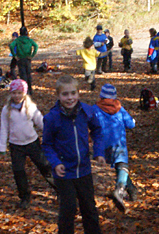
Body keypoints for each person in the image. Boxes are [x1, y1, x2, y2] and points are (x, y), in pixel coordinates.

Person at [43, 75, 105, 234]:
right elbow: (47, 144)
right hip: (64, 173)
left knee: (89, 207)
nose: (69, 98)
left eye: (73, 93)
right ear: (58, 95)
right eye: (65, 94)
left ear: (78, 93)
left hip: (84, 169)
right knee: (68, 208)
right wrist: (55, 163)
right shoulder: (52, 118)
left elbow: (97, 131)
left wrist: (98, 152)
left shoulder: (86, 111)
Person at [0, 79, 56, 209]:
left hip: (32, 143)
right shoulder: (6, 110)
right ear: (10, 94)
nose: (17, 96)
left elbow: (41, 122)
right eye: (14, 93)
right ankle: (24, 196)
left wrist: (52, 136)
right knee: (18, 171)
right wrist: (1, 147)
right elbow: (4, 128)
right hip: (16, 145)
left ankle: (59, 189)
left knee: (45, 167)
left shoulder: (30, 107)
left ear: (24, 93)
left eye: (19, 93)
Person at [94, 84, 137, 212]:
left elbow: (89, 123)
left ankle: (132, 189)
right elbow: (130, 124)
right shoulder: (119, 108)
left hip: (103, 145)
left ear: (101, 96)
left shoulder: (95, 109)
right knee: (122, 165)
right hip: (118, 141)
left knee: (118, 166)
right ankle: (120, 190)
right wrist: (133, 121)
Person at [10, 27, 39, 94]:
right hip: (28, 59)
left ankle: (25, 90)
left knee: (23, 75)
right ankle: (30, 89)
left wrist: (14, 55)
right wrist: (32, 55)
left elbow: (11, 46)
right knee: (28, 74)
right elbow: (36, 46)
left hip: (20, 59)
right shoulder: (29, 40)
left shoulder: (17, 40)